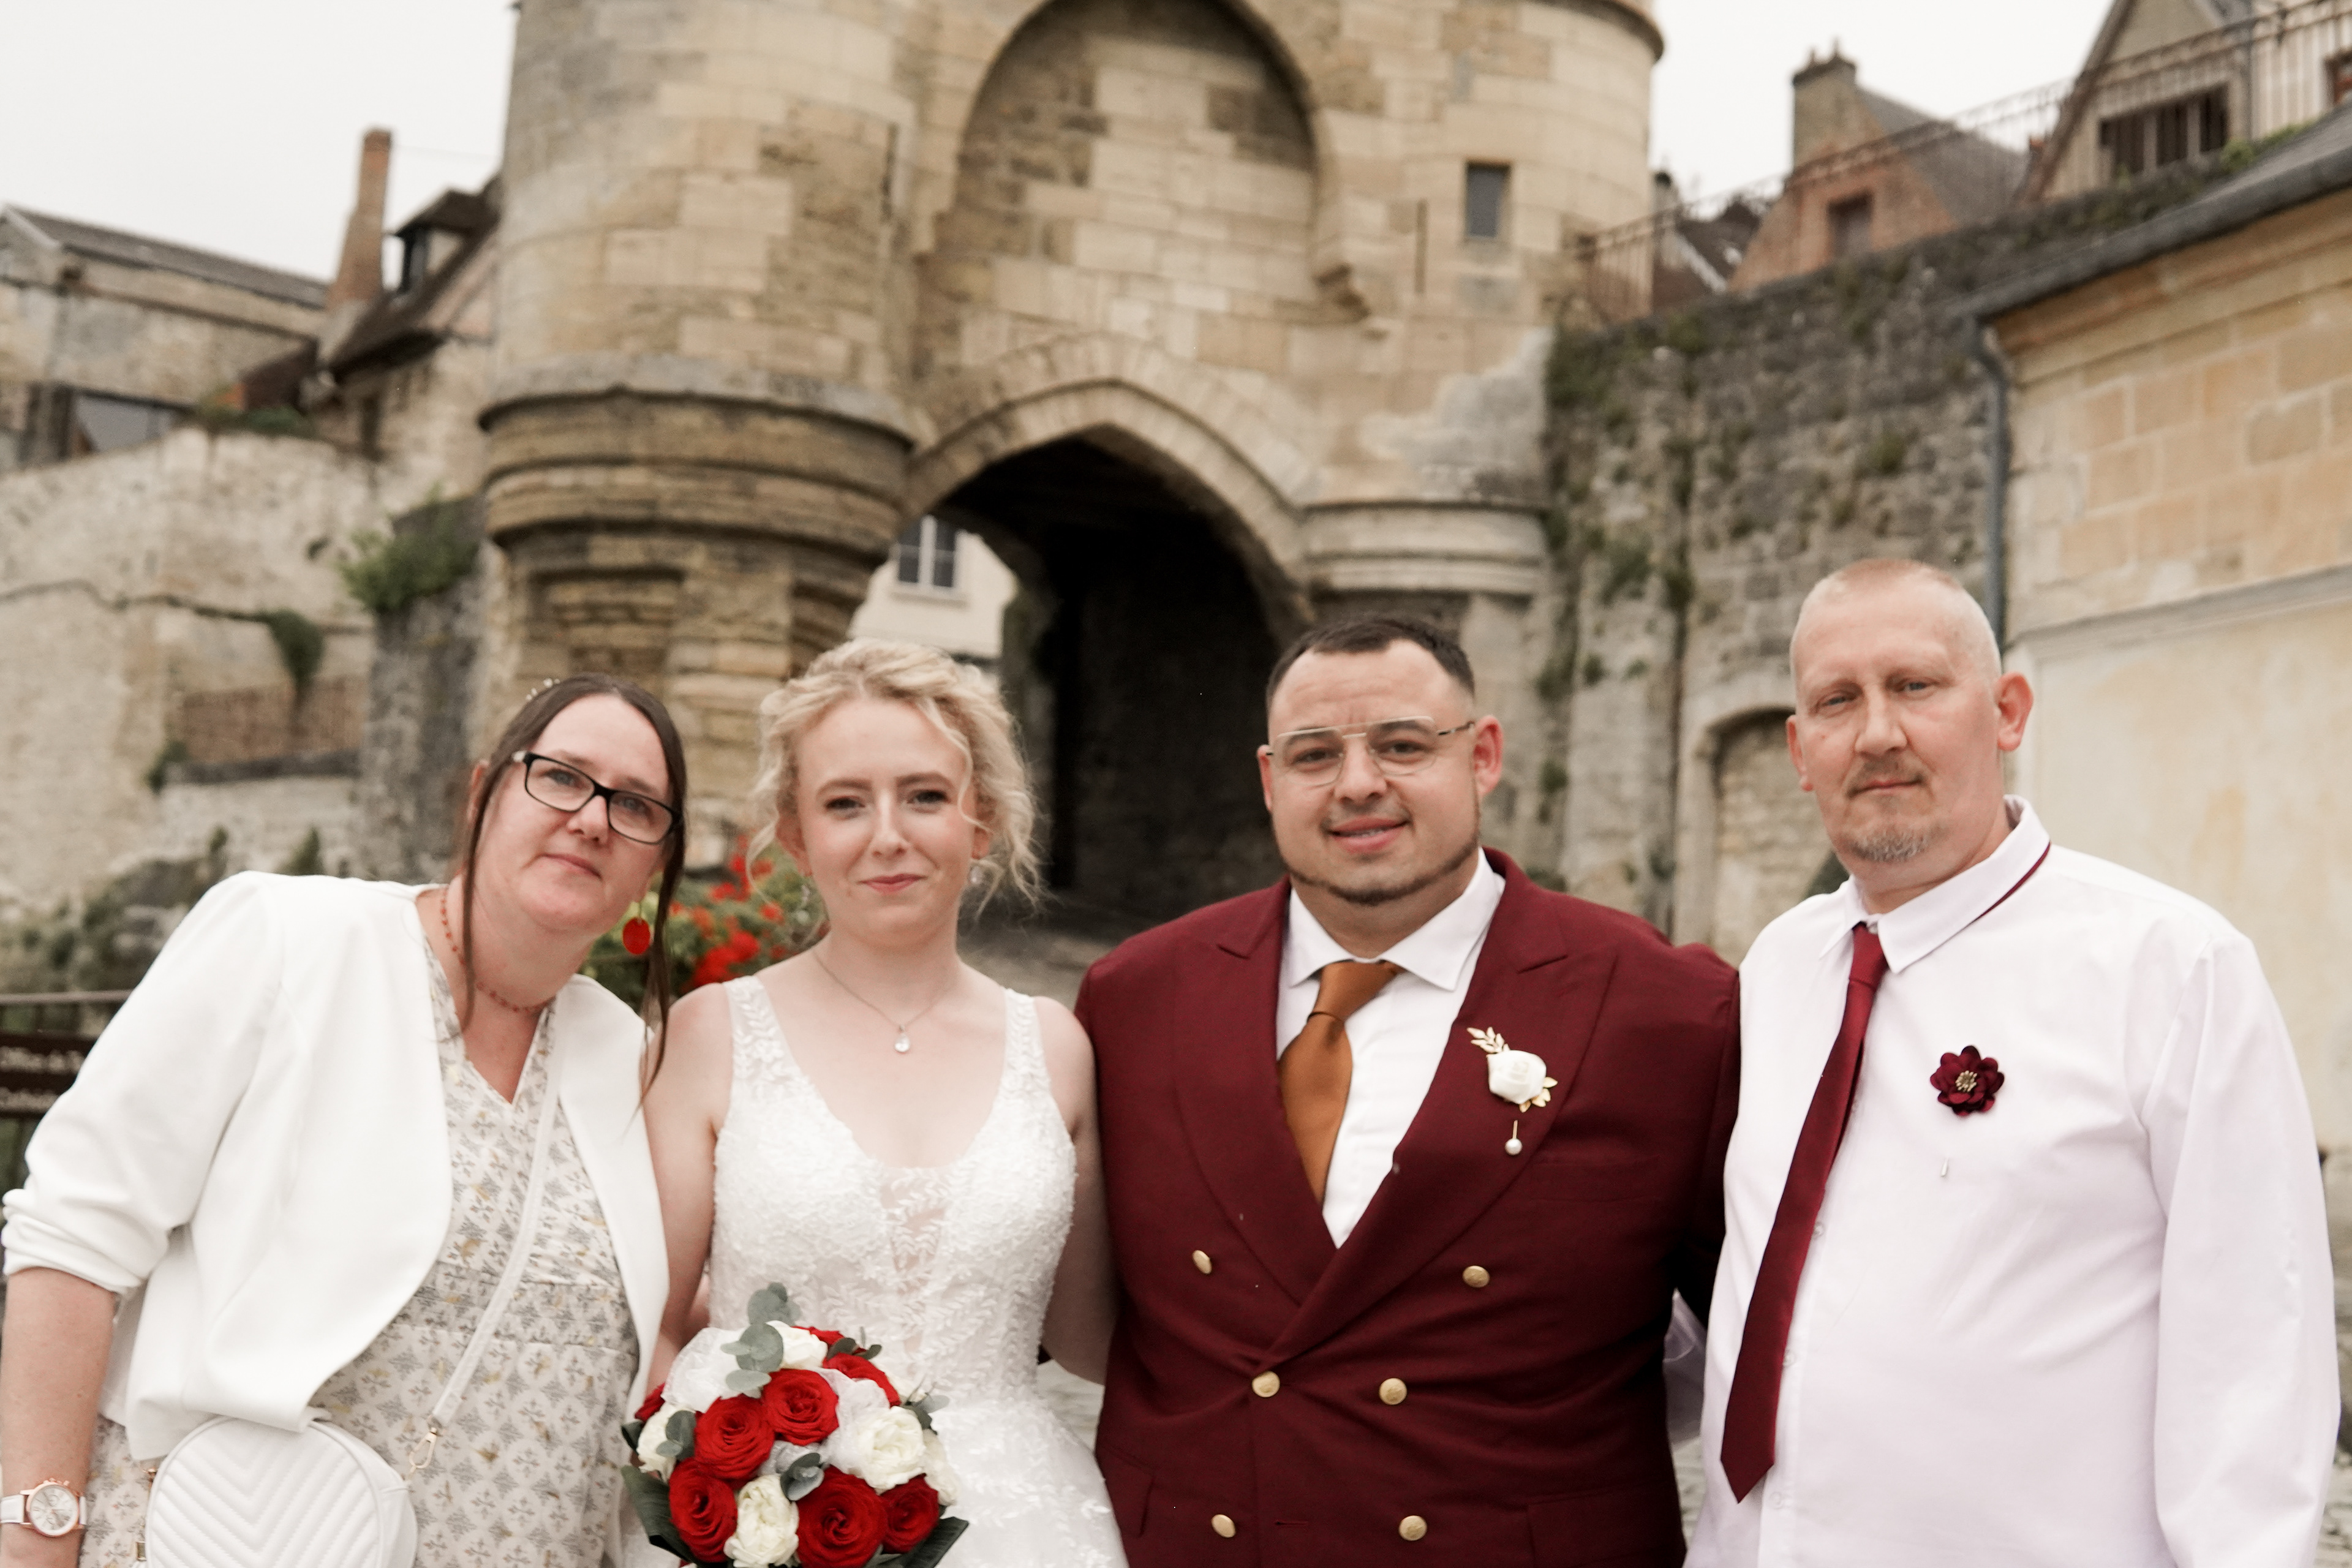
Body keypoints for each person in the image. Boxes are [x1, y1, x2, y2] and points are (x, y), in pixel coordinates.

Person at [1687, 559, 2337, 1566]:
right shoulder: (1780, 965)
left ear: (2008, 712)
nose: (1877, 733)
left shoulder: (2169, 969)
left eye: (1915, 686)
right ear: (1799, 749)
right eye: (1836, 701)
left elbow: (2255, 1344)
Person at [1074, 616, 1740, 1566]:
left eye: (1402, 745)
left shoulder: (1668, 1011)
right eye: (1315, 755)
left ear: (1484, 755)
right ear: (1269, 780)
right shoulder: (1136, 997)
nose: (1357, 784)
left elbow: (1756, 1336)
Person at [0, 674, 687, 1568]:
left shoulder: (631, 1060)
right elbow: (74, 1244)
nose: (593, 818)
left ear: (655, 867)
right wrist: (36, 1532)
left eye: (635, 805)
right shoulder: (289, 939)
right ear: (482, 794)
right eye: (560, 776)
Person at [643, 639, 1123, 1567]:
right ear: (796, 835)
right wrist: (709, 1508)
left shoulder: (1057, 1049)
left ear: (981, 821)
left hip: (1025, 1527)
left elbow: (1088, 1338)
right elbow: (655, 1321)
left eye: (926, 796)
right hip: (771, 1533)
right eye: (846, 803)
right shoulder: (713, 1036)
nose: (888, 835)